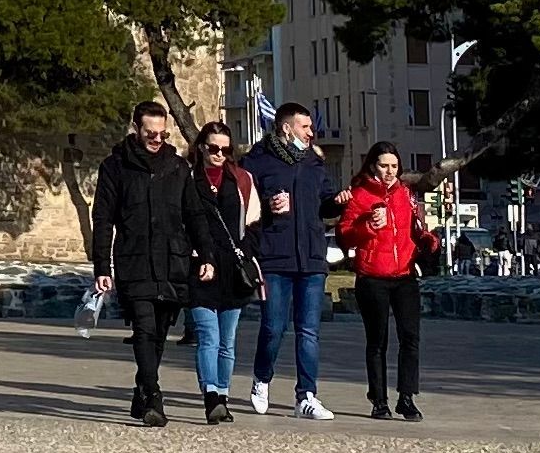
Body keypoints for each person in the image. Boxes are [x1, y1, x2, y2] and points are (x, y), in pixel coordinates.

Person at [85, 101, 243, 426]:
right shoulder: (115, 167)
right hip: (134, 261)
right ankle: (154, 395)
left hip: (172, 262)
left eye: (162, 133)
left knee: (158, 333)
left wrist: (207, 256)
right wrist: (102, 267)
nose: (156, 139)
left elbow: (194, 214)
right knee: (143, 329)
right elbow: (102, 219)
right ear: (136, 129)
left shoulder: (176, 167)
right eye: (150, 133)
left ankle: (141, 390)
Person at [238, 106, 335, 418]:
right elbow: (243, 205)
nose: (310, 132)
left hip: (312, 259)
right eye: (305, 127)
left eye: (311, 128)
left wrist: (341, 203)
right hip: (275, 257)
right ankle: (262, 378)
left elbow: (326, 203)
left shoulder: (314, 162)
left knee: (309, 331)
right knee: (273, 327)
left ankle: (305, 395)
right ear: (286, 128)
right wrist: (268, 206)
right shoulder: (258, 161)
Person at [339, 143, 429, 420]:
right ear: (372, 166)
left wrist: (428, 240)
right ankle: (379, 399)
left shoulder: (406, 194)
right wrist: (366, 226)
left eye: (393, 166)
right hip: (372, 277)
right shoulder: (359, 195)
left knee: (410, 338)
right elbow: (344, 235)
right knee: (377, 341)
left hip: (404, 276)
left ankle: (406, 397)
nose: (389, 172)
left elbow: (417, 230)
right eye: (383, 166)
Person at [183, 120, 264, 423]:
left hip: (234, 267)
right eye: (213, 148)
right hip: (200, 264)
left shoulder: (242, 179)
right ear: (201, 147)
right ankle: (211, 395)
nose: (219, 154)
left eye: (225, 149)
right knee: (208, 335)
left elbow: (255, 221)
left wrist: (249, 249)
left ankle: (223, 395)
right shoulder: (188, 178)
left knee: (227, 340)